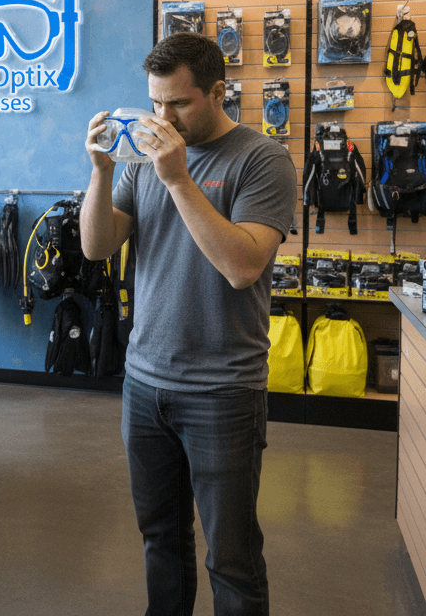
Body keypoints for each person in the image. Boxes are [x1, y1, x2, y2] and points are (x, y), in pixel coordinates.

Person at [81, 32, 297, 616]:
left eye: (177, 103)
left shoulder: (262, 158)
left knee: (232, 557)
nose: (162, 117)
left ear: (217, 92)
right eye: (154, 102)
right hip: (145, 384)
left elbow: (244, 266)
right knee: (161, 543)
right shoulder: (142, 160)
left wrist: (179, 178)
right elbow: (97, 247)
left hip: (223, 391)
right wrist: (101, 172)